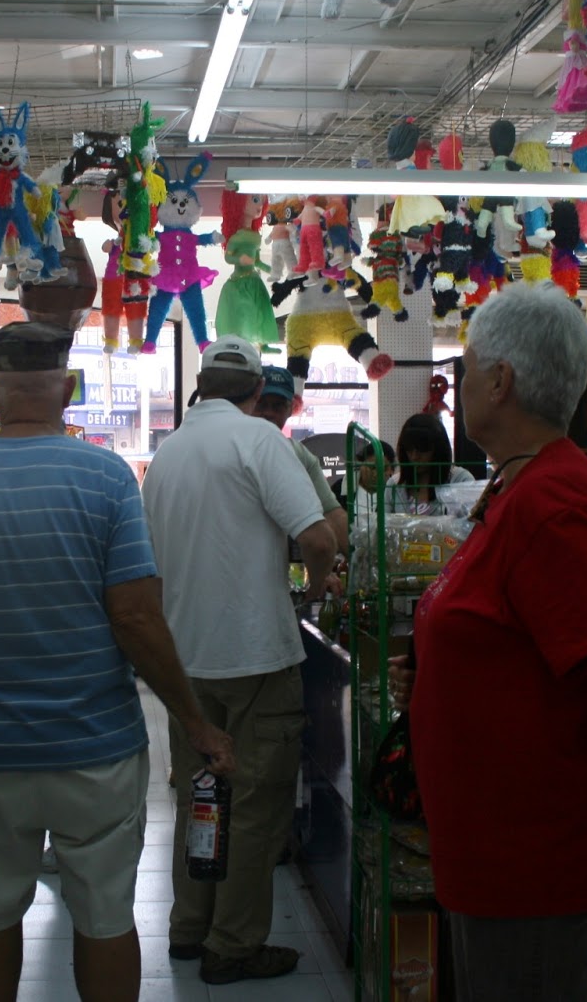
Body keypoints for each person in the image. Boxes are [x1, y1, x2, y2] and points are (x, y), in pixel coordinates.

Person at [0, 321, 235, 1002]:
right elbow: (135, 618)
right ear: (69, 389)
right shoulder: (107, 478)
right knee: (104, 914)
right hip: (96, 747)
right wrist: (195, 722)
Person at [388, 283, 587, 1001]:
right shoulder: (517, 489)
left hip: (533, 860)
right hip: (496, 854)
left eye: (466, 369)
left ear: (501, 381)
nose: (459, 386)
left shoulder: (551, 502)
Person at [142, 336, 338, 986]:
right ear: (257, 390)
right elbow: (318, 536)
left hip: (185, 662)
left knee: (200, 795)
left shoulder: (166, 454)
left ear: (200, 387)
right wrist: (314, 590)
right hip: (256, 654)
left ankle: (189, 927)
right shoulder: (259, 441)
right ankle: (233, 944)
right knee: (254, 803)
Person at [253, 365, 350, 554]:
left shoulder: (299, 455)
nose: (269, 413)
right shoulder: (228, 448)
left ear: (291, 409)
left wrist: (364, 560)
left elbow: (332, 513)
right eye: (261, 404)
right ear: (249, 403)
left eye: (278, 406)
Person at [395, 412, 476, 510]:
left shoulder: (461, 480)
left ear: (438, 449)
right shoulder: (395, 485)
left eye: (422, 449)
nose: (414, 457)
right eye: (409, 449)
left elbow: (472, 518)